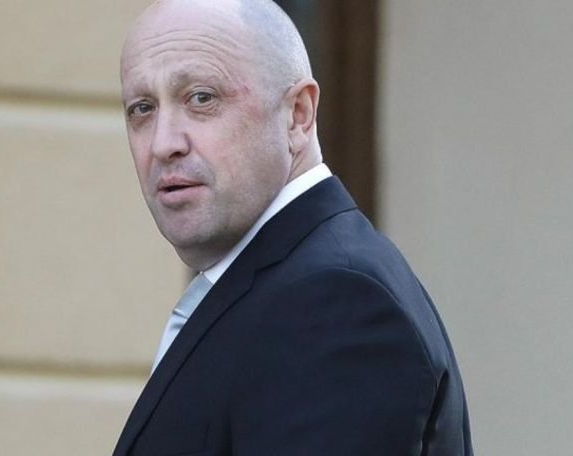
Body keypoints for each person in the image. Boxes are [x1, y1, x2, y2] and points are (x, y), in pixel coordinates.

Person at [113, 0, 473, 454]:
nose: (164, 144)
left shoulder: (335, 302)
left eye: (201, 98)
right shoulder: (277, 286)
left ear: (298, 114)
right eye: (142, 109)